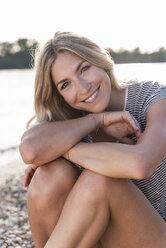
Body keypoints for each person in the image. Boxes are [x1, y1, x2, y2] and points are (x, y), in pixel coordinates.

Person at [19, 31, 166, 248]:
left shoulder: (152, 98)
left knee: (100, 180)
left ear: (101, 60)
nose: (83, 87)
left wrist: (66, 150)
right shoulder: (69, 122)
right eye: (65, 85)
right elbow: (30, 150)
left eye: (84, 68)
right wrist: (98, 120)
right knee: (50, 175)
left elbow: (140, 164)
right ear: (59, 96)